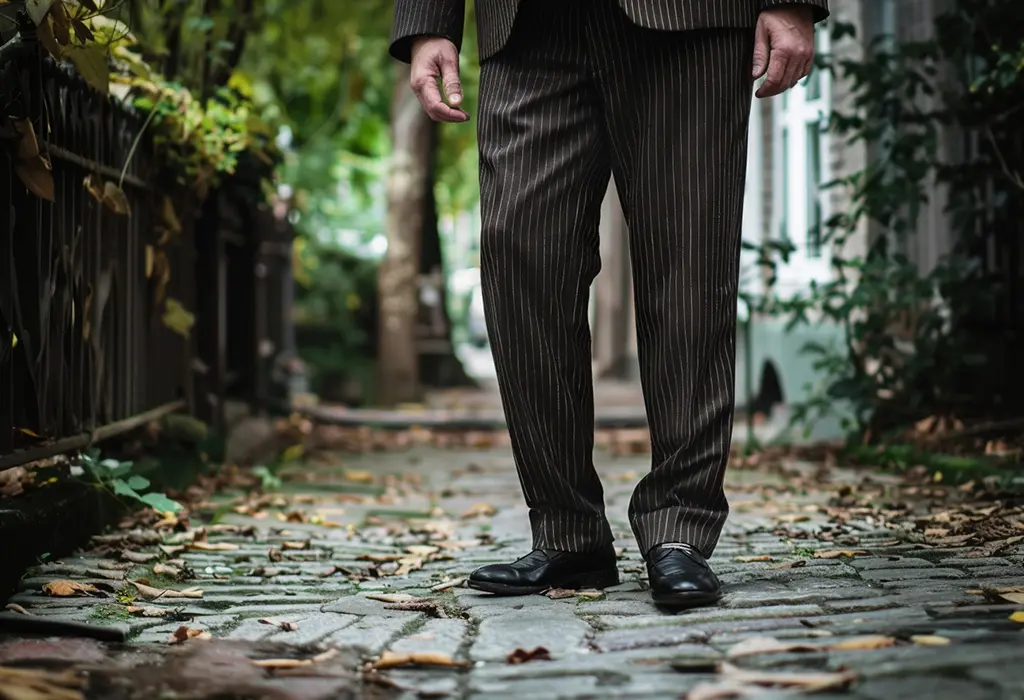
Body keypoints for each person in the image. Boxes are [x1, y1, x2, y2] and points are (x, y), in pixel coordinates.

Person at [390, 0, 828, 609]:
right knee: (519, 250)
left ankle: (679, 527)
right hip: (527, 30)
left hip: (690, 24)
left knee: (689, 262)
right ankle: (568, 533)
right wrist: (428, 21)